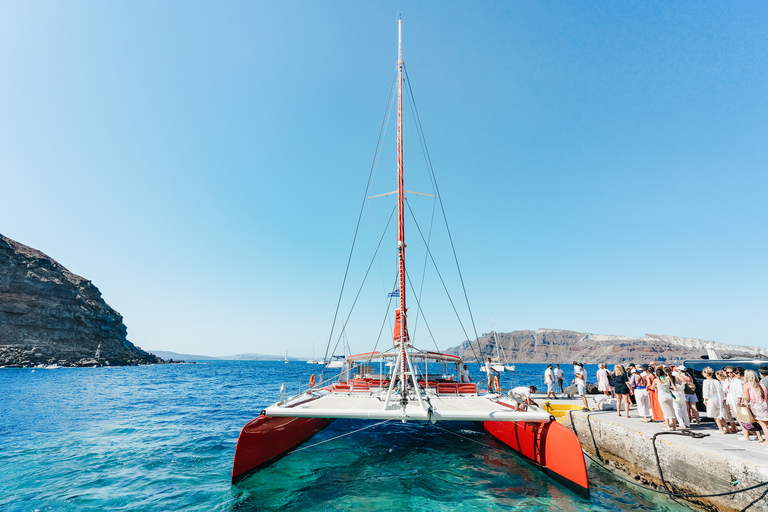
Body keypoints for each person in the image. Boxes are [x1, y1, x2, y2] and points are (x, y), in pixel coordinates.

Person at [742, 369, 768, 446]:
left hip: (756, 406)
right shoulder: (762, 384)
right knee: (766, 425)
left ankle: (767, 441)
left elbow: (747, 398)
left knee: (764, 425)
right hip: (764, 405)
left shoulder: (747, 385)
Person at [702, 366, 728, 434]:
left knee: (715, 415)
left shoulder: (706, 381)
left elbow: (706, 392)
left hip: (711, 399)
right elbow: (721, 390)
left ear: (706, 374)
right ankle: (727, 428)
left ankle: (721, 429)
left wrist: (705, 399)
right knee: (720, 414)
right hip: (719, 398)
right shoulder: (716, 381)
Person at [650, 366, 677, 431]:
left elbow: (652, 388)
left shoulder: (656, 380)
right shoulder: (668, 379)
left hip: (662, 396)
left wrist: (657, 387)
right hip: (669, 396)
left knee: (665, 412)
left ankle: (668, 427)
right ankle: (674, 427)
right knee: (671, 411)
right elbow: (674, 388)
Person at [715, 369, 739, 433]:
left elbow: (724, 390)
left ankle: (733, 427)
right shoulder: (727, 381)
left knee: (728, 413)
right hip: (726, 399)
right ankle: (733, 426)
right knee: (728, 413)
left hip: (725, 399)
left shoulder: (723, 382)